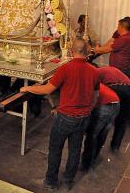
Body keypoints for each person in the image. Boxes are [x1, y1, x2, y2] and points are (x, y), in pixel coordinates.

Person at [20, 38, 99, 190]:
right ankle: (69, 180)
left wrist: (28, 88)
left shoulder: (65, 68)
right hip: (84, 117)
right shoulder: (94, 71)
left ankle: (50, 182)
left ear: (71, 51)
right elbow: (95, 95)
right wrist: (88, 109)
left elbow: (47, 90)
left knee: (55, 149)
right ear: (86, 51)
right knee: (75, 150)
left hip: (65, 117)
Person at [81, 84, 119, 171]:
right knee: (102, 133)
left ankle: (86, 164)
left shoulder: (82, 84)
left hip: (105, 105)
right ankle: (94, 157)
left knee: (92, 134)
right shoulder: (90, 79)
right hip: (115, 103)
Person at [98, 66, 130, 151]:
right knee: (122, 119)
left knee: (106, 119)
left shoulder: (96, 72)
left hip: (114, 87)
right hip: (128, 88)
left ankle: (98, 145)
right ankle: (115, 145)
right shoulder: (107, 69)